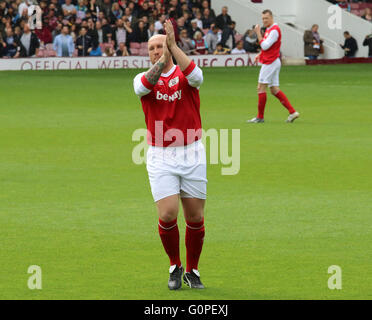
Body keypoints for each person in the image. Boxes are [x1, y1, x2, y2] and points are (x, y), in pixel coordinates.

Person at [133, 20, 207, 290]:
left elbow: (199, 78)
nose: (155, 50)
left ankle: (193, 270)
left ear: (171, 46)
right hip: (160, 155)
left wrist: (173, 49)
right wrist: (165, 55)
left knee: (196, 218)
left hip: (192, 152)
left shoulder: (186, 74)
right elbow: (143, 86)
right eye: (151, 48)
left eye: (160, 46)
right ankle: (175, 265)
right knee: (167, 214)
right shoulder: (143, 80)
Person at [247, 9, 300, 123]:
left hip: (270, 62)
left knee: (261, 88)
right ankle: (292, 112)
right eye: (263, 19)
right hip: (272, 61)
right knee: (274, 89)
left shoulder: (274, 30)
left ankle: (260, 117)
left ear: (272, 17)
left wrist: (258, 33)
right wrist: (260, 54)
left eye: (266, 18)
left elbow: (265, 46)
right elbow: (267, 47)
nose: (264, 20)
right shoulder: (269, 29)